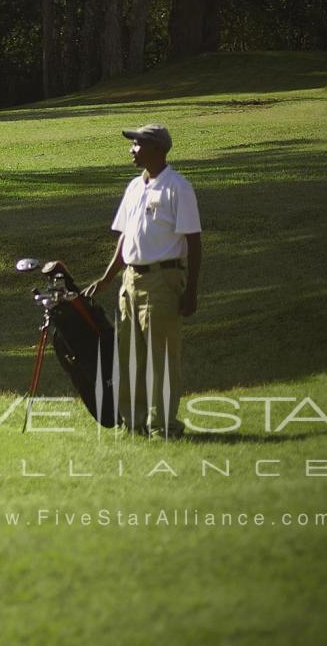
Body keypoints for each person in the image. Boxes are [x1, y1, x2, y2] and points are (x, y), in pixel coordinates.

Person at [87, 123, 202, 435]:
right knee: (129, 355)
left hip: (163, 280)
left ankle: (163, 423)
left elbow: (194, 242)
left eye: (137, 144)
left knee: (162, 355)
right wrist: (109, 277)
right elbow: (125, 238)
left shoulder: (178, 187)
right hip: (131, 281)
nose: (131, 150)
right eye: (132, 144)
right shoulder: (134, 187)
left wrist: (190, 291)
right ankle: (133, 422)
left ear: (157, 149)